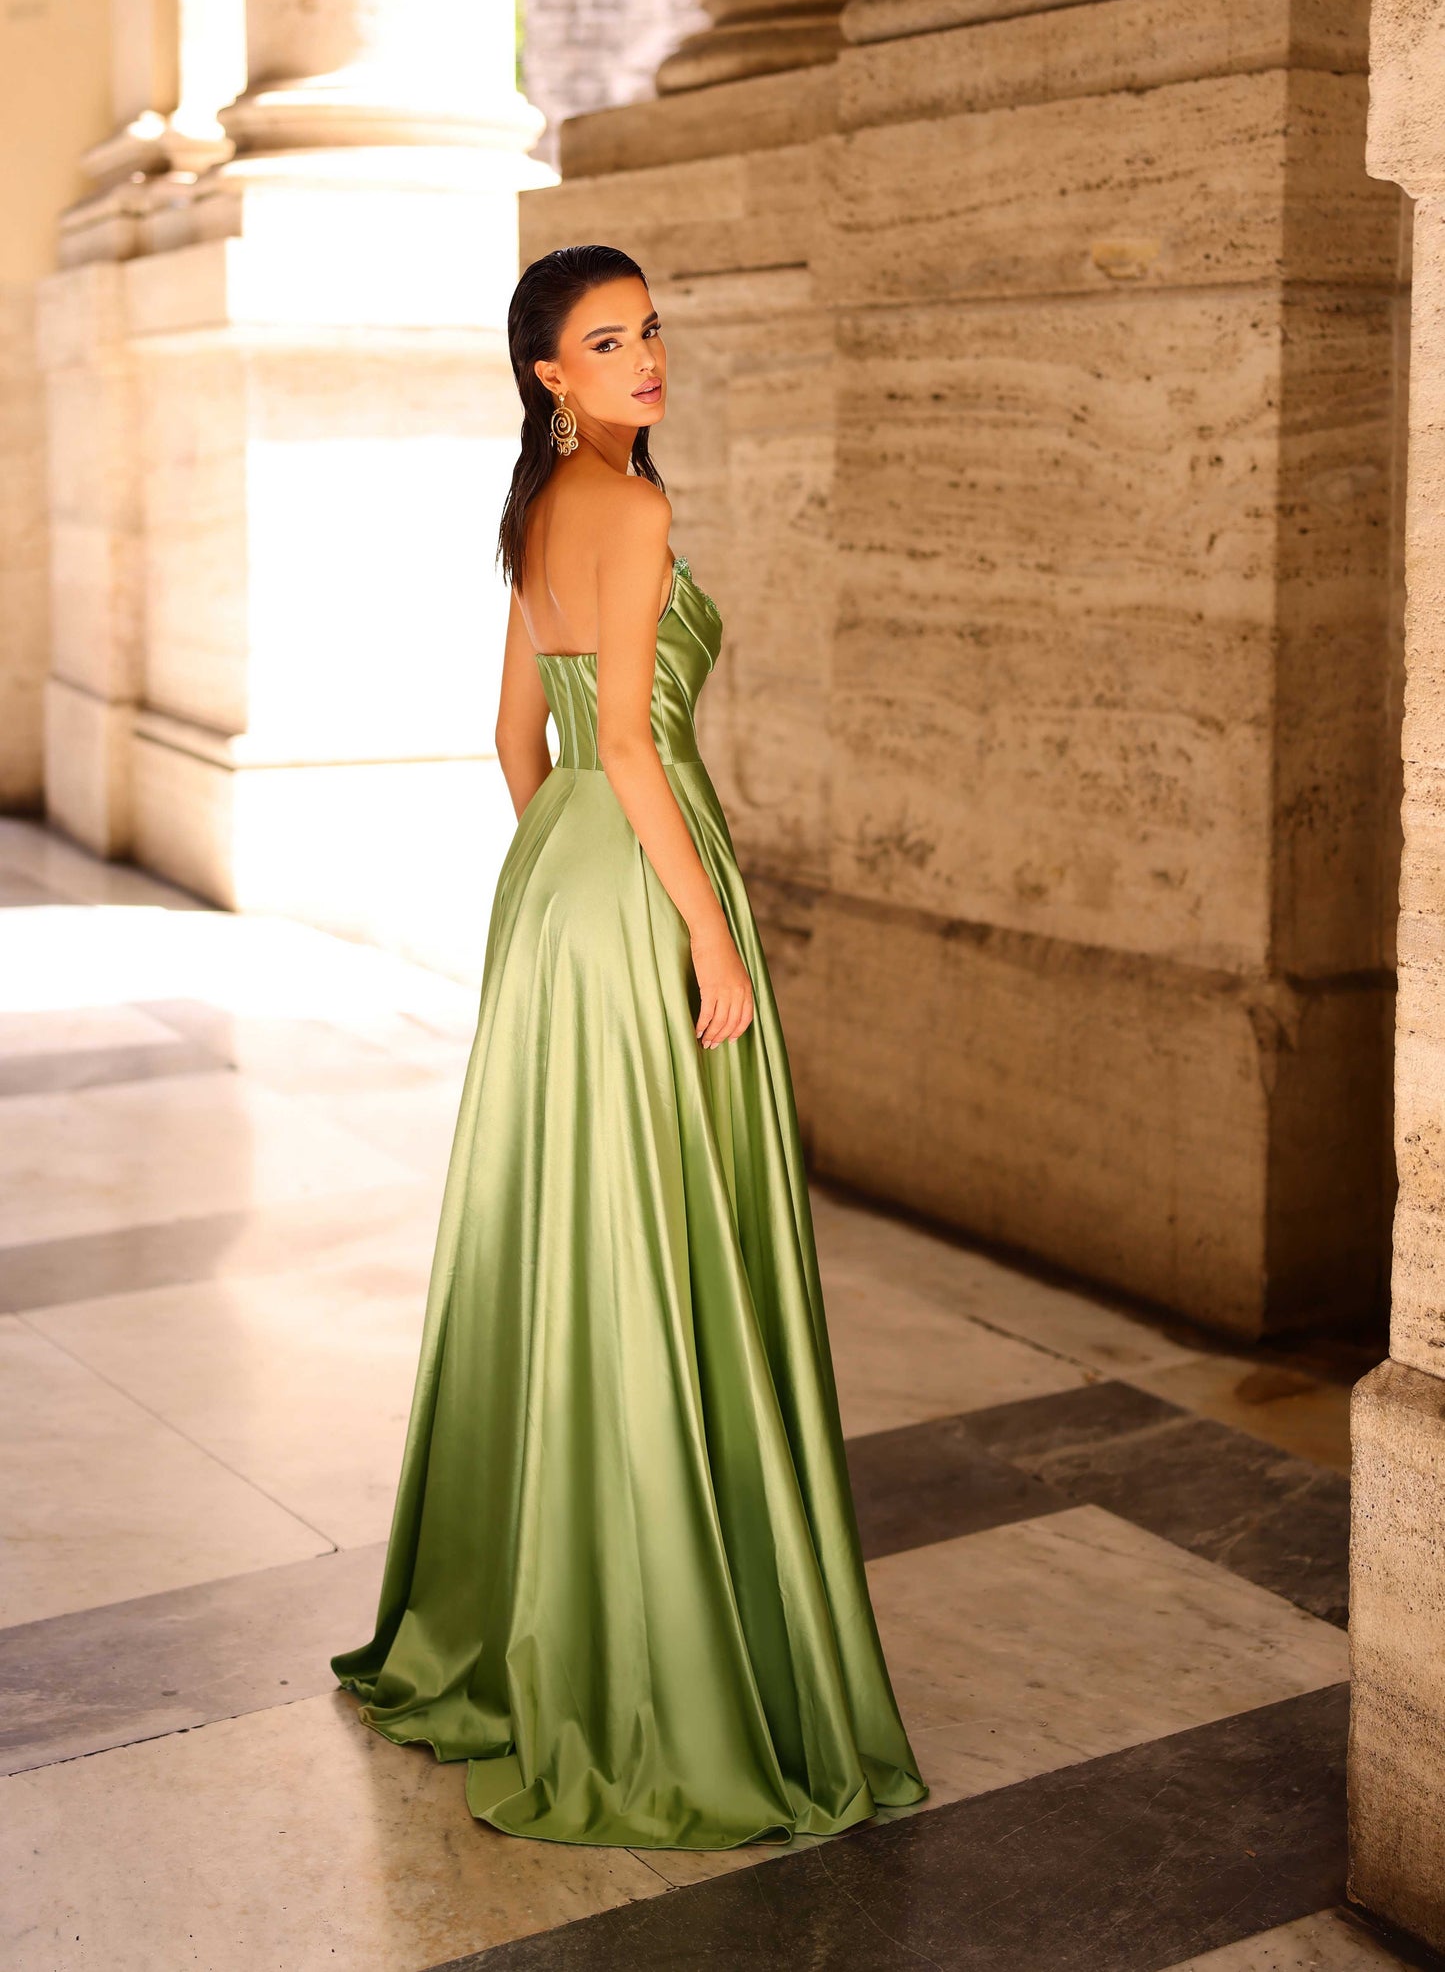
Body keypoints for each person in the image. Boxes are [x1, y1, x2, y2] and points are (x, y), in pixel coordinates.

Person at [331, 243, 928, 1850]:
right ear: (549, 371)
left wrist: (573, 880)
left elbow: (515, 748)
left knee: (570, 1242)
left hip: (556, 900)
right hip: (645, 886)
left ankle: (530, 1602)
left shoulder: (534, 510)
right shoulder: (637, 510)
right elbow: (617, 742)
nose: (647, 357)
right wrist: (704, 933)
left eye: (652, 330)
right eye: (611, 340)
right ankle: (665, 1641)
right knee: (662, 1245)